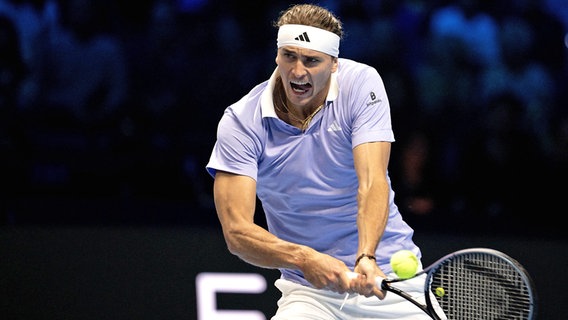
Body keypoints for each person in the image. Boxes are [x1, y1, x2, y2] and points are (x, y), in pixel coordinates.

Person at [206, 4, 445, 319]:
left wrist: (366, 256)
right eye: (289, 56)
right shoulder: (241, 122)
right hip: (309, 294)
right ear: (277, 56)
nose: (298, 71)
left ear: (333, 64)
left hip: (389, 278)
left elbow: (372, 181)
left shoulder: (361, 84)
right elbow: (237, 233)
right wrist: (303, 258)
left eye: (312, 60)